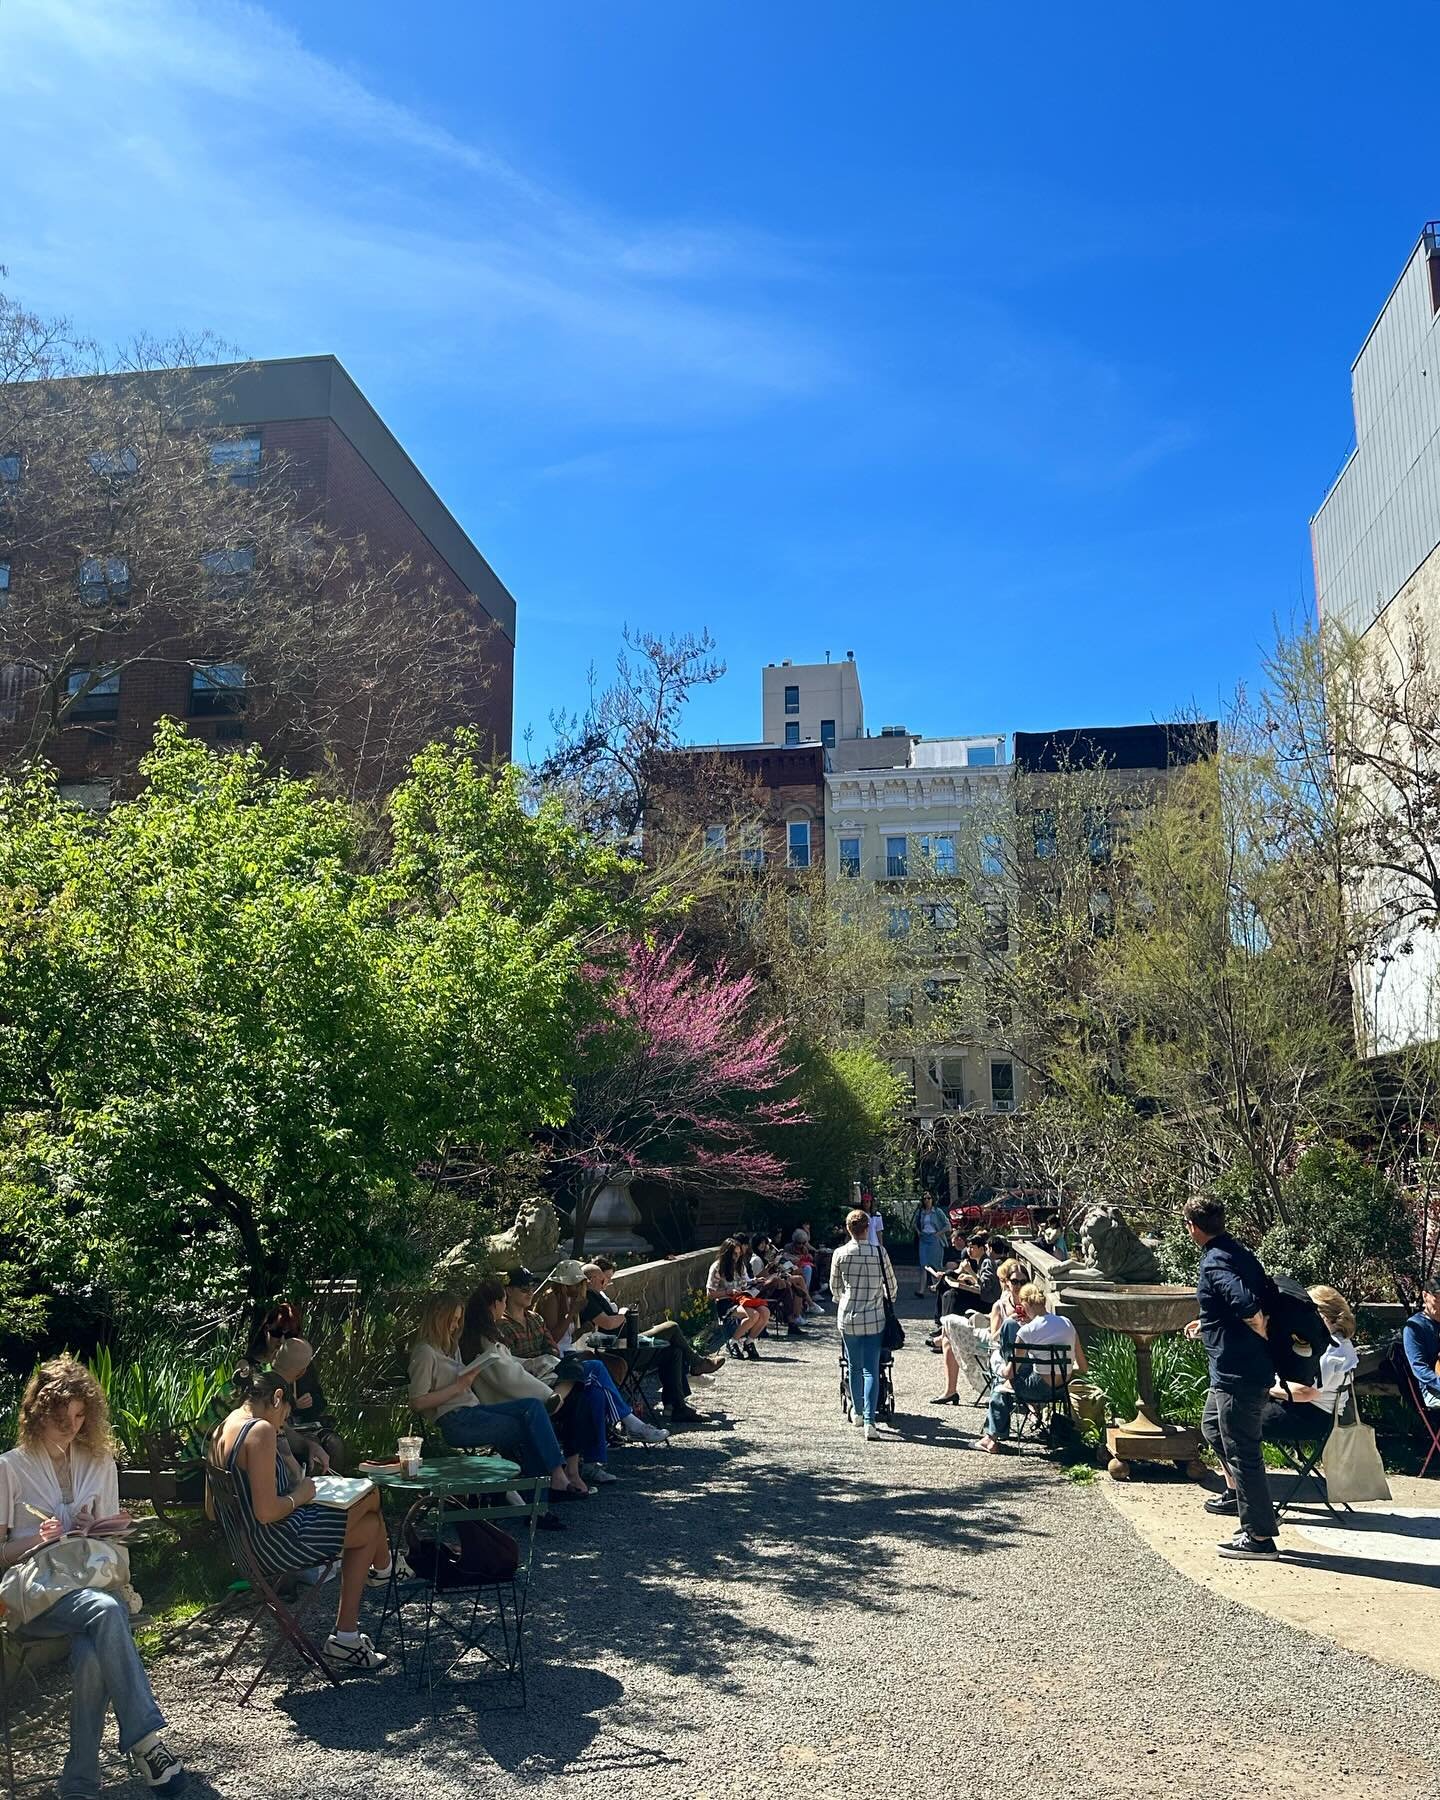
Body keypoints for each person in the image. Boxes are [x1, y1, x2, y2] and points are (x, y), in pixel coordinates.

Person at [0, 1358, 185, 1794]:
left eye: (81, 1415)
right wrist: (37, 1541)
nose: (71, 1425)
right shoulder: (9, 1467)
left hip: (96, 1581)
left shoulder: (100, 1461)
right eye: (62, 1417)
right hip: (38, 1595)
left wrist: (93, 1528)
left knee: (92, 1649)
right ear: (38, 1412)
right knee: (105, 1611)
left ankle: (79, 1781)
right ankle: (146, 1739)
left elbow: (116, 1540)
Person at [212, 1363, 393, 1673]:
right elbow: (267, 1511)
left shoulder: (222, 1428)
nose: (283, 1424)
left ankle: (349, 1633)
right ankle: (386, 1571)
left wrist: (293, 1481)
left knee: (370, 1525)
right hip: (276, 1544)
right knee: (370, 1498)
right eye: (285, 1415)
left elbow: (211, 1509)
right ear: (278, 1397)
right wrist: (302, 1495)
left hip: (245, 1547)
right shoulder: (260, 1431)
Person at [408, 1295, 590, 1520]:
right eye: (452, 1320)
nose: (456, 1326)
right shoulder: (425, 1352)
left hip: (472, 1410)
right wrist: (458, 1387)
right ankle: (539, 1504)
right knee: (530, 1428)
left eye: (458, 1320)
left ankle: (551, 1483)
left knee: (533, 1407)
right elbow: (417, 1402)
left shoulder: (449, 1347)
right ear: (438, 1318)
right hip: (456, 1420)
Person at [1201, 1286, 1359, 1518]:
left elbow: (1306, 1392)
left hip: (1307, 1417)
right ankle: (1238, 1490)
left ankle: (1243, 1494)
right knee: (1222, 1415)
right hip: (1308, 1412)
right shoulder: (1336, 1343)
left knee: (1225, 1422)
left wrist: (1262, 1384)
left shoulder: (1330, 1350)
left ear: (1325, 1316)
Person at [1182, 1196, 1281, 1561]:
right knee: (1212, 1428)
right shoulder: (1237, 1251)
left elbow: (1246, 1304)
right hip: (1236, 1372)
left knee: (1244, 1452)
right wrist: (1207, 1323)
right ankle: (1245, 1502)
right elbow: (1235, 1304)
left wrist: (1258, 1328)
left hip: (1238, 1373)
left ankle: (1259, 1537)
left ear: (1192, 1227)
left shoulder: (1213, 1262)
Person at [492, 1269, 668, 1460]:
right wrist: (570, 1315)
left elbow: (552, 1348)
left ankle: (594, 1463)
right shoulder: (503, 1324)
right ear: (508, 1291)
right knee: (596, 1367)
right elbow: (513, 1362)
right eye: (523, 1288)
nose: (530, 1292)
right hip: (532, 1381)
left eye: (532, 1287)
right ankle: (631, 1423)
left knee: (595, 1393)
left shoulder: (534, 1318)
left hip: (553, 1370)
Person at [578, 1264, 712, 1422]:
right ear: (591, 1280)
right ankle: (697, 1363)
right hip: (619, 1350)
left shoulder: (597, 1295)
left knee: (674, 1353)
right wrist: (622, 1313)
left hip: (626, 1344)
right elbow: (607, 1323)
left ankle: (676, 1406)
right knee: (671, 1327)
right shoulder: (588, 1298)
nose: (606, 1283)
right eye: (602, 1281)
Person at [977, 1282, 1085, 1451]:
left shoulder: (1027, 1331)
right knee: (1013, 1379)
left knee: (1000, 1386)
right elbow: (1083, 1366)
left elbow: (1010, 1372)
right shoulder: (1067, 1322)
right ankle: (994, 1435)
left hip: (1037, 1387)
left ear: (1025, 1304)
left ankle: (991, 1438)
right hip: (1061, 1387)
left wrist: (1000, 1369)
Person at [831, 1207, 899, 1441]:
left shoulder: (840, 1254)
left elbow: (834, 1288)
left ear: (848, 1229)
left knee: (853, 1366)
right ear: (867, 1228)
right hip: (874, 1316)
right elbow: (892, 1286)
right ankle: (870, 1420)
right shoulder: (879, 1253)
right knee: (872, 1368)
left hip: (849, 1316)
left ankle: (857, 1411)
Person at [270, 1337, 346, 1474]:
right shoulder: (267, 1390)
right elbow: (280, 1436)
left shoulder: (302, 1376)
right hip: (277, 1469)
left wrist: (308, 1446)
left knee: (332, 1444)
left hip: (302, 1428)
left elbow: (281, 1430)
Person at [705, 1240, 771, 1359]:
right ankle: (733, 1342)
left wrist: (755, 1281)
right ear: (726, 1253)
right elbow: (710, 1294)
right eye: (734, 1254)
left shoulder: (740, 1266)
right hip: (725, 1302)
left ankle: (749, 1342)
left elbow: (745, 1282)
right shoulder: (717, 1267)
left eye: (739, 1254)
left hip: (741, 1298)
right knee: (753, 1315)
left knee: (765, 1312)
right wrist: (727, 1292)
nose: (737, 1257)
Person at [1402, 1280, 1440, 1412]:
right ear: (1425, 1296)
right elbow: (1419, 1367)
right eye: (1438, 1299)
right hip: (1433, 1389)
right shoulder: (1414, 1327)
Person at [911, 1197, 950, 1298]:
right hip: (924, 1238)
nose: (927, 1200)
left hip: (934, 1238)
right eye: (925, 1199)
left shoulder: (937, 1211)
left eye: (929, 1198)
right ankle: (921, 1291)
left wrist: (938, 1234)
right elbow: (915, 1223)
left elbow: (947, 1225)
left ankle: (938, 1287)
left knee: (936, 1265)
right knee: (924, 1264)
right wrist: (919, 1232)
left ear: (933, 1199)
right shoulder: (921, 1212)